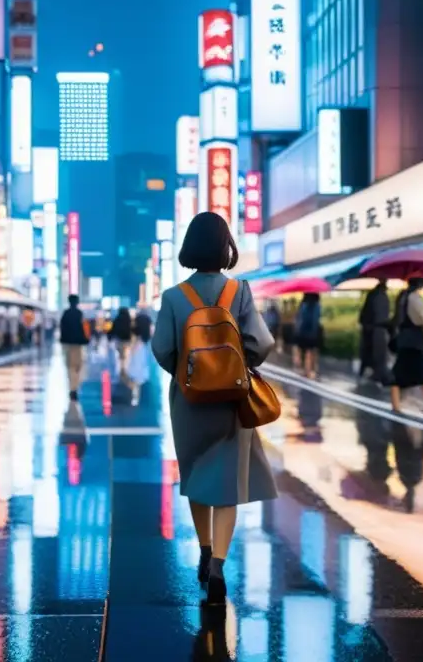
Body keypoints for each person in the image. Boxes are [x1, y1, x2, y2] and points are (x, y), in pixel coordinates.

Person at [151, 212, 277, 605]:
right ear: (226, 247)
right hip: (231, 399)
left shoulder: (174, 296)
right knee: (227, 485)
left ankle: (203, 551)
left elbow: (162, 348)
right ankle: (220, 564)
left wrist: (189, 374)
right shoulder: (239, 292)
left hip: (189, 402)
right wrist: (236, 365)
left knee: (197, 474)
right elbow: (261, 343)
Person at [388, 275, 423, 416]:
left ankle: (396, 406)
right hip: (414, 339)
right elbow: (422, 318)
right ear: (421, 284)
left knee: (399, 372)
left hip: (404, 339)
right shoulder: (413, 298)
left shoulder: (402, 297)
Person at [358, 280, 391, 384]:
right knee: (379, 354)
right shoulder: (382, 296)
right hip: (379, 329)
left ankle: (365, 371)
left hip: (369, 329)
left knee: (368, 353)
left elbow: (364, 313)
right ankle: (379, 374)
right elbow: (382, 315)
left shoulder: (372, 295)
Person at [59, 295, 89, 400]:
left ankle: (72, 388)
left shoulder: (65, 314)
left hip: (67, 344)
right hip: (78, 344)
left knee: (70, 367)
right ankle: (75, 386)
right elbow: (85, 328)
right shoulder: (80, 314)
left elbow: (62, 328)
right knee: (78, 366)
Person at [294, 292, 323, 378]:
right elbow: (315, 320)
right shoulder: (317, 305)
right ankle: (311, 371)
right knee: (310, 352)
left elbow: (299, 319)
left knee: (305, 352)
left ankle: (305, 370)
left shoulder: (303, 304)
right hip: (312, 333)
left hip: (302, 332)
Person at [109, 307, 134, 378]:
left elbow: (113, 329)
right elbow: (132, 329)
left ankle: (121, 369)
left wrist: (110, 338)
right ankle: (125, 369)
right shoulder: (129, 319)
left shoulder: (117, 319)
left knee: (120, 356)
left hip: (119, 340)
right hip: (127, 341)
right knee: (126, 356)